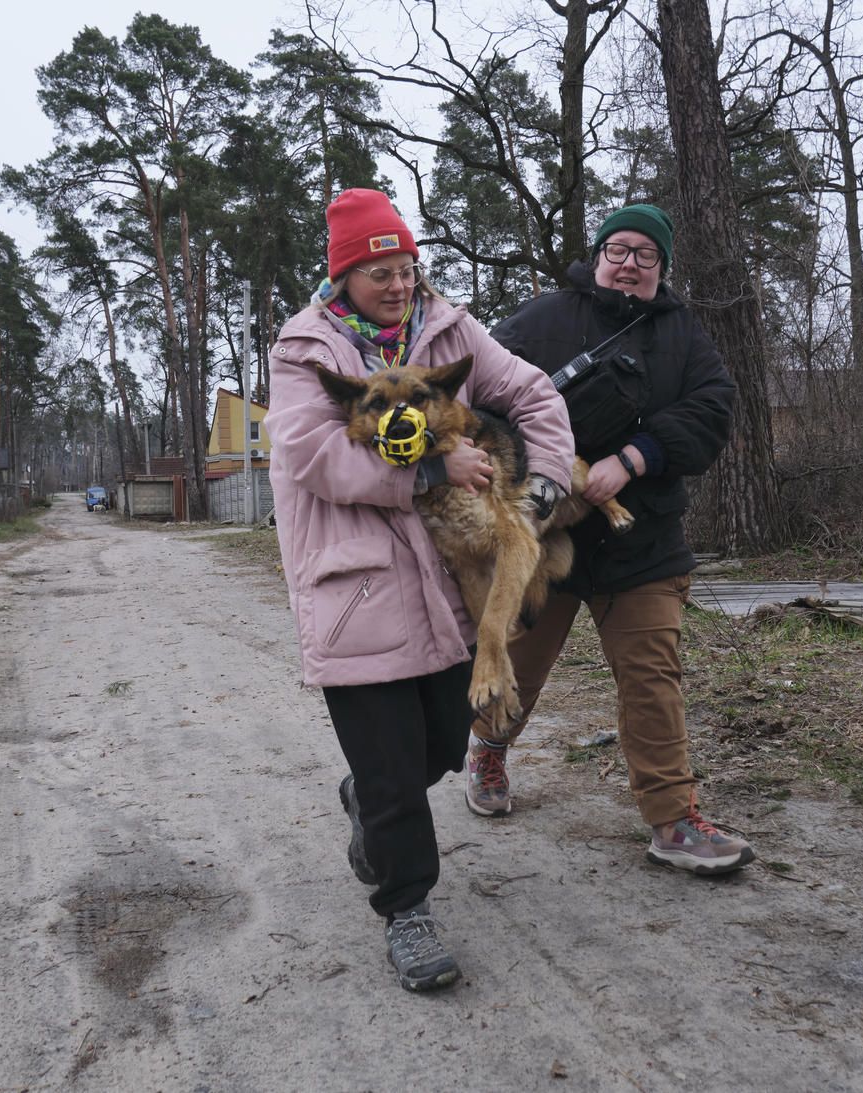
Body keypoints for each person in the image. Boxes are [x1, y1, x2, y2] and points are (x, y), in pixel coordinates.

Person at [265, 188, 575, 991]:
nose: (399, 285)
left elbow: (533, 394)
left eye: (406, 268)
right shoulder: (307, 350)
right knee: (393, 765)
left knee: (442, 741)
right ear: (344, 278)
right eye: (380, 273)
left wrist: (540, 489)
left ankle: (366, 797)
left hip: (445, 586)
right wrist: (429, 471)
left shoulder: (447, 325)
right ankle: (408, 909)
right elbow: (311, 457)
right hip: (356, 586)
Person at [465, 202, 756, 876]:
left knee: (653, 676)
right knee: (518, 666)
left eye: (644, 254)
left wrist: (636, 456)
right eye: (618, 250)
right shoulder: (545, 319)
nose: (629, 263)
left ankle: (673, 818)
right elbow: (479, 391)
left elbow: (713, 408)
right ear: (598, 256)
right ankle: (489, 746)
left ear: (662, 267)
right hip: (542, 538)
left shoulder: (682, 334)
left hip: (642, 540)